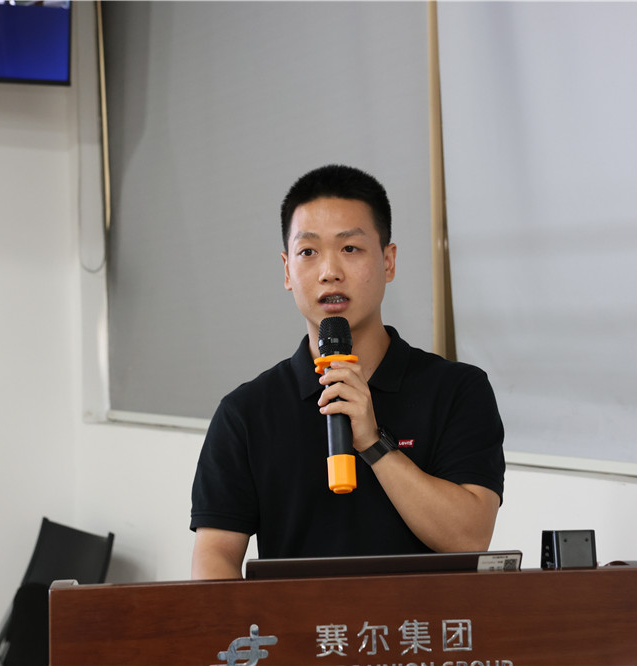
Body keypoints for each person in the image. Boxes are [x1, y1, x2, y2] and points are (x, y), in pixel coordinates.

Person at [190, 164, 505, 580]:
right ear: (287, 270)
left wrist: (373, 443)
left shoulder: (458, 390)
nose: (329, 272)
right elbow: (215, 556)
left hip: (419, 622)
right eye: (308, 252)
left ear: (388, 261)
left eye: (350, 248)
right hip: (298, 624)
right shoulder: (246, 412)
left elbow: (469, 538)